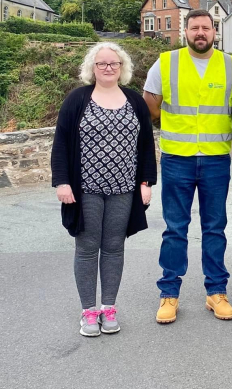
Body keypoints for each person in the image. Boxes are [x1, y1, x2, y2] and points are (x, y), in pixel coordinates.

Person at [143, 9, 232, 324]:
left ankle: (216, 293)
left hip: (216, 159)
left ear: (215, 31)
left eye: (206, 27)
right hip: (177, 159)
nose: (200, 32)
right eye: (195, 27)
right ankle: (169, 295)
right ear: (186, 31)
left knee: (215, 228)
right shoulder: (166, 63)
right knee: (176, 229)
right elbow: (151, 103)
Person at [51, 42, 157, 337]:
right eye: (102, 64)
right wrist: (62, 181)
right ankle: (88, 311)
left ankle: (109, 308)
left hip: (123, 189)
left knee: (113, 248)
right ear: (92, 68)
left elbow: (146, 145)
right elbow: (60, 143)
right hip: (85, 189)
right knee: (86, 249)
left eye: (114, 63)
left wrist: (146, 182)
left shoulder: (134, 101)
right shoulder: (77, 99)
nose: (108, 68)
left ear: (122, 68)